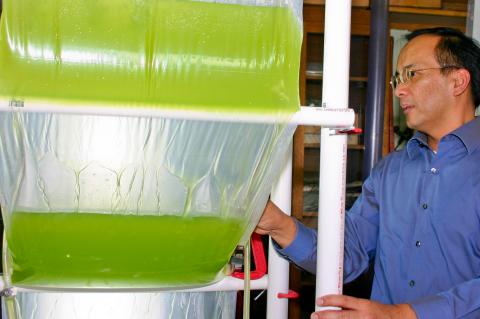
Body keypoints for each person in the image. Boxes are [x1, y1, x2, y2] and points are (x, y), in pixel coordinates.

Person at [256, 27, 480, 319]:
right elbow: (347, 253)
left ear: (458, 81)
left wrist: (402, 314)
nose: (399, 89)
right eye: (397, 79)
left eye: (413, 74)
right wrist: (279, 225)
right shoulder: (390, 171)